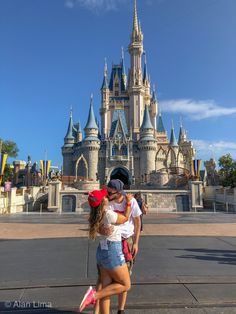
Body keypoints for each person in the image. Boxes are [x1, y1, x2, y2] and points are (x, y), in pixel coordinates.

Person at [79, 188, 133, 313]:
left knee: (106, 289)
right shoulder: (108, 214)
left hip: (102, 252)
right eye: (105, 196)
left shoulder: (96, 214)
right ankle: (93, 296)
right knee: (126, 285)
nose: (107, 197)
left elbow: (95, 226)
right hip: (112, 251)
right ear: (102, 201)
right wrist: (129, 202)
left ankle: (98, 299)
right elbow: (125, 218)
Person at [98, 179, 142, 314]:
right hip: (109, 243)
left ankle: (120, 310)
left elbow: (137, 222)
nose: (107, 194)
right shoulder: (106, 202)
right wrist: (101, 230)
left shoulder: (131, 201)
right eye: (106, 191)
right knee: (106, 282)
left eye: (110, 192)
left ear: (118, 192)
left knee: (124, 279)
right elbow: (97, 224)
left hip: (126, 242)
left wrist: (135, 242)